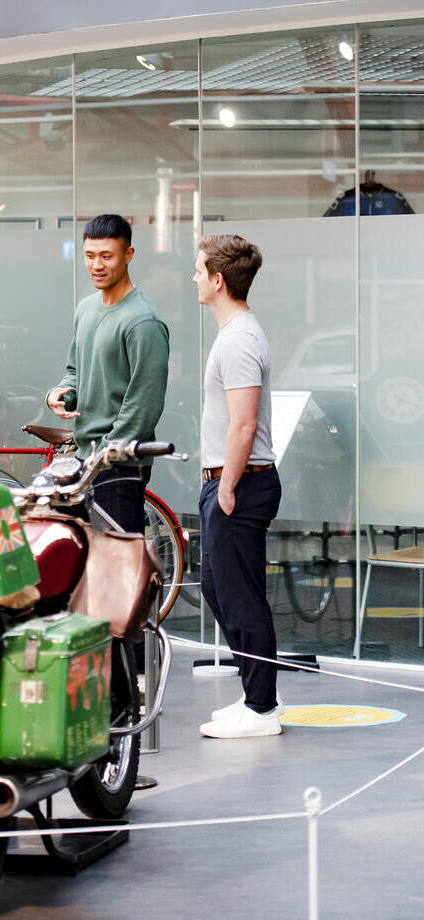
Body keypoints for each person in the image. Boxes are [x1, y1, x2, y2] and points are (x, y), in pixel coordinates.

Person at [194, 234, 283, 739]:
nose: (194, 277)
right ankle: (257, 694)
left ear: (218, 279)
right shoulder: (233, 334)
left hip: (243, 484)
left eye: (198, 269)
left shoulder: (240, 339)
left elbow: (243, 424)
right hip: (232, 482)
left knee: (240, 595)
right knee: (219, 588)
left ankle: (262, 708)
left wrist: (225, 487)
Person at [46, 214, 169, 533]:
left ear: (128, 255)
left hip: (119, 465)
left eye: (106, 256)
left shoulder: (143, 321)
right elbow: (75, 371)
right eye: (89, 256)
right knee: (87, 564)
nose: (96, 265)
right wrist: (62, 394)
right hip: (85, 459)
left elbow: (144, 406)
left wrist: (104, 456)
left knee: (119, 570)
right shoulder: (86, 308)